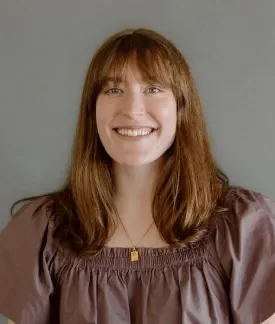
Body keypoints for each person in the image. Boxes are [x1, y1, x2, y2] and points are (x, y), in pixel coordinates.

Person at [0, 28, 274, 324]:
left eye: (153, 88)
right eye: (114, 89)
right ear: (92, 110)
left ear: (181, 107)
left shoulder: (244, 227)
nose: (132, 109)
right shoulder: (40, 232)